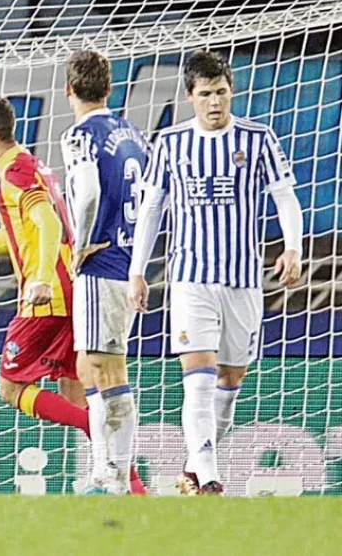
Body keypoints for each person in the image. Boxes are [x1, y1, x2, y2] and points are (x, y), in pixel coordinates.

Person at [0, 95, 146, 494]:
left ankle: (105, 459)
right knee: (77, 395)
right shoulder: (30, 166)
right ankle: (130, 488)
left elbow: (47, 224)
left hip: (48, 297)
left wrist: (40, 279)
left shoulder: (17, 175)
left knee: (11, 388)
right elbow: (17, 237)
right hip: (73, 290)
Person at [128, 50, 303, 496]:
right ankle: (209, 475)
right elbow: (151, 209)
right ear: (190, 97)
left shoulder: (258, 138)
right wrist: (137, 271)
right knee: (199, 374)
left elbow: (284, 195)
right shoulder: (170, 143)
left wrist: (293, 248)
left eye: (221, 92)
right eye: (205, 94)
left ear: (232, 91)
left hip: (244, 278)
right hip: (190, 276)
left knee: (230, 378)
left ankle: (194, 462)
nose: (214, 102)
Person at [59, 50, 148, 495]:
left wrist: (81, 243)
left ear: (68, 89)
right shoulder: (133, 133)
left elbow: (89, 189)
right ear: (110, 88)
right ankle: (103, 468)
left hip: (101, 262)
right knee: (88, 367)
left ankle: (113, 475)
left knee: (107, 370)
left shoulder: (79, 134)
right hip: (128, 261)